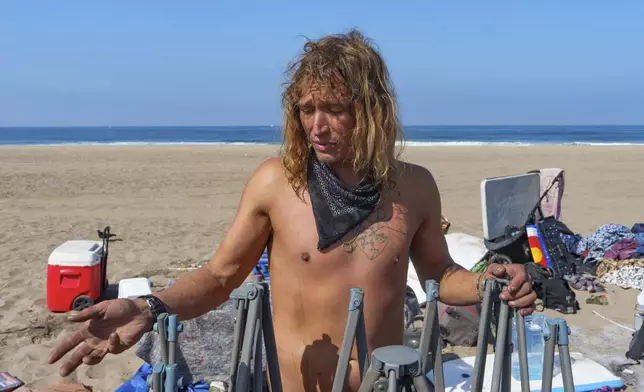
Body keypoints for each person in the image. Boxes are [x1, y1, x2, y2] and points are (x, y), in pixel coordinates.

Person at [48, 29, 537, 392]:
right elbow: (220, 276)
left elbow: (439, 274)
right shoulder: (276, 183)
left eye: (335, 108)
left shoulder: (414, 187)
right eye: (306, 110)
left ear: (371, 109)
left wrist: (489, 282)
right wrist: (148, 307)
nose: (317, 127)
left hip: (381, 385)